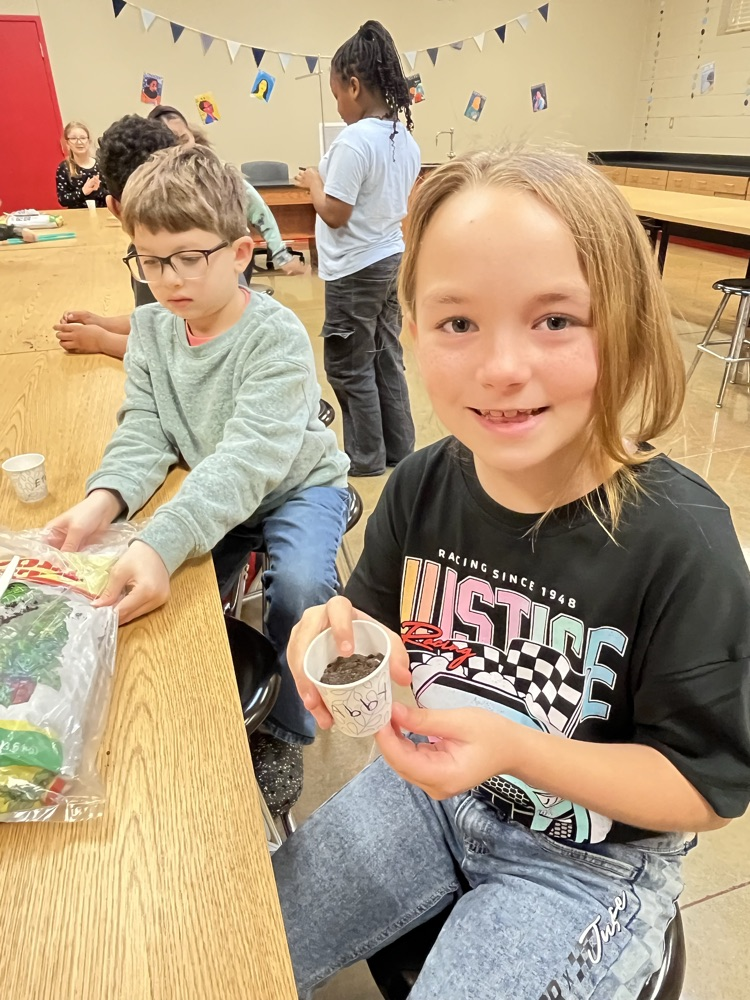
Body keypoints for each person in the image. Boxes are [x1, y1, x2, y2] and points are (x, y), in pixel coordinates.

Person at [273, 149, 750, 998]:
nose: (501, 367)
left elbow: (704, 790)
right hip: (423, 794)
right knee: (249, 935)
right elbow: (379, 624)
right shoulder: (423, 483)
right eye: (459, 324)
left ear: (628, 327)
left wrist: (512, 749)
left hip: (588, 863)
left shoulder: (683, 543)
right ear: (411, 334)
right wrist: (340, 633)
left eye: (556, 320)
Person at [45, 145, 350, 814]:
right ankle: (197, 714)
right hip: (218, 491)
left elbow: (248, 459)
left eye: (190, 257)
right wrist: (103, 502)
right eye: (152, 261)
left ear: (241, 252)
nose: (170, 279)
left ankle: (286, 730)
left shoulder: (275, 337)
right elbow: (145, 432)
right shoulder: (154, 332)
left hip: (298, 485)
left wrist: (158, 540)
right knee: (171, 601)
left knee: (299, 585)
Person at [295, 21, 420, 477]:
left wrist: (312, 182)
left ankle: (365, 458)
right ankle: (398, 451)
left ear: (353, 85)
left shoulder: (353, 140)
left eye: (337, 96)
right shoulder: (403, 139)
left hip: (355, 269)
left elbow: (335, 213)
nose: (339, 106)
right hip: (388, 259)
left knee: (350, 366)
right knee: (386, 354)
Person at [148, 105, 304, 276]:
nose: (181, 149)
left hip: (227, 255)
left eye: (184, 139)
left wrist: (282, 256)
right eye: (171, 144)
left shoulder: (215, 171)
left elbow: (258, 210)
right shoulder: (152, 182)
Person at [55, 121, 108, 209]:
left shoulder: (101, 165)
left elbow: (113, 195)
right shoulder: (64, 168)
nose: (79, 142)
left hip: (102, 215)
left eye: (83, 138)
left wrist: (98, 191)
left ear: (89, 141)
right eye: (73, 138)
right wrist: (83, 192)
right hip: (77, 217)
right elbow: (63, 200)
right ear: (67, 142)